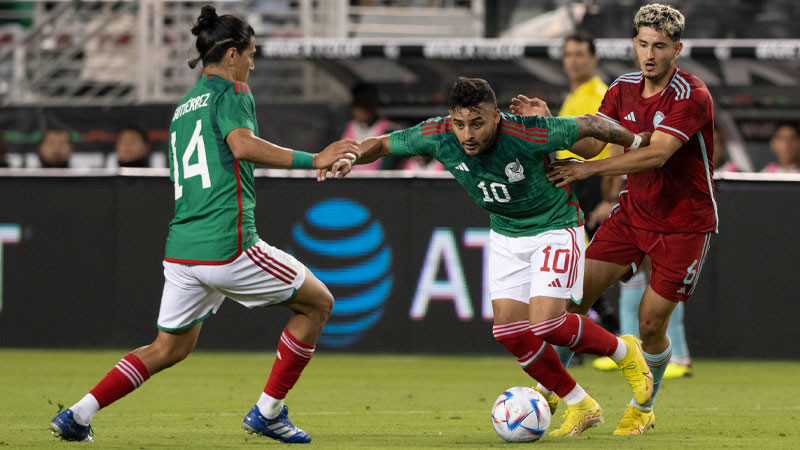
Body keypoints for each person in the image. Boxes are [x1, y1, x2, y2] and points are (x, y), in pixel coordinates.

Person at [49, 5, 358, 444]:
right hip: (226, 244)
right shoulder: (233, 91)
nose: (253, 62)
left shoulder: (182, 108)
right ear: (231, 54)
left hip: (182, 249)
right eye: (251, 53)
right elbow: (243, 146)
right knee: (318, 304)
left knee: (169, 347)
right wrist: (315, 159)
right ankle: (268, 412)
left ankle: (78, 414)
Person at [325, 76, 654, 437]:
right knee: (509, 332)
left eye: (477, 123)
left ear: (496, 117)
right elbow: (384, 144)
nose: (467, 134)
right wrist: (354, 154)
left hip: (554, 227)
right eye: (460, 123)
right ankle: (580, 403)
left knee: (546, 323)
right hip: (506, 235)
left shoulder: (527, 133)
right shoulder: (438, 134)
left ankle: (625, 351)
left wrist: (640, 142)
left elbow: (593, 124)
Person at [516, 3, 717, 435]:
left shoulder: (692, 94)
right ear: (633, 44)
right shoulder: (622, 89)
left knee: (649, 325)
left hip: (684, 223)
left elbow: (656, 154)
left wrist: (587, 170)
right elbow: (591, 144)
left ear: (677, 49)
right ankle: (559, 398)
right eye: (643, 44)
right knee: (570, 303)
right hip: (632, 215)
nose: (649, 54)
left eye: (660, 46)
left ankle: (643, 407)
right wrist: (552, 125)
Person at [555, 30, 622, 346]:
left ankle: (609, 333)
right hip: (572, 186)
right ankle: (607, 329)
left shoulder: (599, 93)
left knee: (584, 270)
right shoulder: (572, 96)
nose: (572, 60)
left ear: (594, 59)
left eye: (579, 54)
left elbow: (613, 147)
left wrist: (609, 198)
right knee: (574, 269)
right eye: (568, 54)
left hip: (593, 184)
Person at [342, 83, 398, 170]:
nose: (361, 111)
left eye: (366, 105)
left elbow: (387, 167)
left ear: (374, 105)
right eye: (357, 105)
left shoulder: (389, 130)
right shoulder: (347, 129)